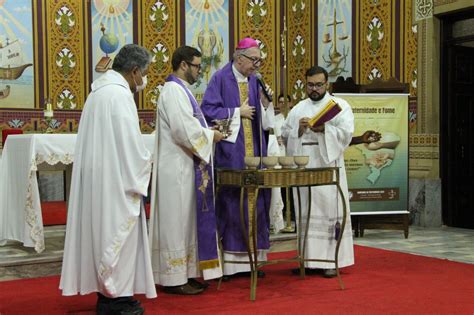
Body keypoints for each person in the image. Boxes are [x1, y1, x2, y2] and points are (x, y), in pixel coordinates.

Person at [60, 44, 155, 315]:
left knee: (103, 237)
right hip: (117, 182)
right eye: (144, 73)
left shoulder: (98, 93)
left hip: (100, 179)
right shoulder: (120, 96)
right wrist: (145, 164)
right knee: (118, 239)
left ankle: (108, 294)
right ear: (134, 70)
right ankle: (117, 299)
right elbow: (130, 146)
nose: (143, 80)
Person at [149, 46, 224, 295]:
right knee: (175, 223)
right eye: (196, 66)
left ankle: (186, 273)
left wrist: (207, 130)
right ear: (183, 65)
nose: (199, 71)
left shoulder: (182, 91)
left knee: (186, 222)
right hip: (176, 170)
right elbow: (183, 130)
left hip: (186, 166)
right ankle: (173, 278)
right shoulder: (173, 91)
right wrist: (210, 135)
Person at [201, 37, 275, 279]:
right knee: (234, 202)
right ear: (239, 57)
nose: (257, 65)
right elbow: (208, 111)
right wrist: (236, 112)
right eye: (254, 60)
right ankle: (234, 264)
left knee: (258, 202)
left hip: (256, 152)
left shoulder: (256, 81)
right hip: (232, 153)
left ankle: (254, 261)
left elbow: (265, 121)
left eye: (260, 60)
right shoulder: (220, 79)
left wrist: (264, 105)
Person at [281, 66, 354, 278]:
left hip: (328, 163)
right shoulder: (298, 108)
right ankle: (308, 260)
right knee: (306, 211)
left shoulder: (340, 106)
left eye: (319, 85)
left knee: (329, 211)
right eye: (310, 85)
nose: (314, 89)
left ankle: (332, 260)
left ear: (327, 84)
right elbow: (285, 135)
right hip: (305, 164)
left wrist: (325, 129)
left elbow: (347, 134)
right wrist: (299, 130)